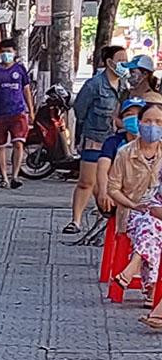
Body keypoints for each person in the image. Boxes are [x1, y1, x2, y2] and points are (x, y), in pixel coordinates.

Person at [70, 44, 131, 233]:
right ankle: (76, 221)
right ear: (109, 62)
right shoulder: (94, 84)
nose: (124, 64)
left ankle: (104, 216)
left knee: (108, 183)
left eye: (125, 60)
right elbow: (80, 109)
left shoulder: (124, 87)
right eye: (120, 60)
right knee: (87, 181)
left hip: (115, 141)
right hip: (95, 138)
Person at [108, 102, 162, 297]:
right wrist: (134, 206)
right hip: (132, 213)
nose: (153, 126)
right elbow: (112, 188)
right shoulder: (125, 153)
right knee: (150, 224)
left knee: (154, 221)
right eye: (148, 121)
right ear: (139, 124)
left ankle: (133, 268)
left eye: (158, 122)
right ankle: (152, 290)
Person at [0, 38, 36, 190]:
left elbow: (26, 90)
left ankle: (15, 175)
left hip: (18, 112)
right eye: (3, 51)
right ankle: (3, 177)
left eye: (9, 51)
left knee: (18, 143)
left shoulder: (20, 70)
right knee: (0, 146)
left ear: (15, 53)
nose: (6, 54)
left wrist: (31, 111)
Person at [96, 96, 149, 212]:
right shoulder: (114, 142)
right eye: (129, 114)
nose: (134, 118)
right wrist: (104, 192)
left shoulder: (155, 144)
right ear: (120, 120)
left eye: (139, 114)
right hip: (120, 194)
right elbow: (102, 168)